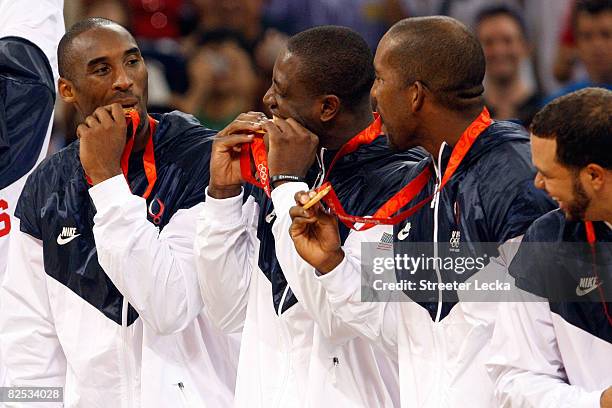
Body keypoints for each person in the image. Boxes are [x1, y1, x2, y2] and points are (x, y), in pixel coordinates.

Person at [283, 16, 555, 407]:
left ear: (415, 95)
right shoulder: (420, 186)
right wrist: (334, 265)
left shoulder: (514, 177)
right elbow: (408, 332)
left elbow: (558, 336)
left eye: (380, 79)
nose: (373, 96)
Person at [0, 18, 238, 407]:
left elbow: (169, 307)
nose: (125, 80)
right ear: (67, 90)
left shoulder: (200, 160)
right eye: (102, 69)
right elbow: (28, 340)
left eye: (132, 62)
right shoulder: (46, 186)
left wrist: (107, 181)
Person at [195, 26, 426, 407]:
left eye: (281, 91)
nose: (267, 99)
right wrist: (222, 196)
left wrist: (286, 183)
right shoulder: (276, 164)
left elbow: (335, 320)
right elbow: (228, 310)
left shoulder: (401, 181)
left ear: (327, 107)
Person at [487, 88, 612, 407]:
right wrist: (597, 403)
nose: (538, 185)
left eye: (548, 174)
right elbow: (514, 380)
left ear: (593, 175)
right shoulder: (544, 241)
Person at [476, 5, 542, 126]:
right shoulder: (468, 117)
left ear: (526, 46)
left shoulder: (545, 113)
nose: (499, 50)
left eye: (507, 40)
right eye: (488, 42)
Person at [544, 0, 612, 103]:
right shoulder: (561, 104)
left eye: (606, 34)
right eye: (587, 36)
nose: (596, 44)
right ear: (576, 43)